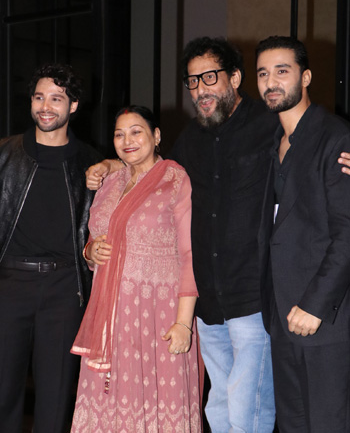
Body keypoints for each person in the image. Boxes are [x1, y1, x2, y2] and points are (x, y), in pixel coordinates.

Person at [84, 37, 350, 433]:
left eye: (209, 77)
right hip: (208, 307)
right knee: (220, 413)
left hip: (255, 302)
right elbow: (154, 173)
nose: (200, 89)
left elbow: (318, 142)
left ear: (236, 78)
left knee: (249, 416)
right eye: (192, 82)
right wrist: (112, 163)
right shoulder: (190, 140)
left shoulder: (269, 123)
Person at [70, 105, 201, 432]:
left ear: (156, 136)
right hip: (110, 315)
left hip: (159, 314)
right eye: (119, 134)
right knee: (108, 403)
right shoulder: (109, 180)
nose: (127, 140)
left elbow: (189, 253)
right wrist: (90, 250)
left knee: (158, 404)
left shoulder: (175, 179)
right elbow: (94, 239)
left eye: (136, 131)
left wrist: (184, 323)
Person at [0, 63, 103, 433]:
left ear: (72, 106)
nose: (46, 106)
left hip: (64, 289)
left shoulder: (93, 163)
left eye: (56, 98)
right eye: (39, 97)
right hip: (9, 283)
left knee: (57, 397)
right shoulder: (4, 154)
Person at [256, 35, 350, 433]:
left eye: (282, 71)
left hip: (324, 317)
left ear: (306, 77)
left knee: (327, 424)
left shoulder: (336, 138)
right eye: (263, 73)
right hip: (280, 315)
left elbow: (347, 232)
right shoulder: (271, 141)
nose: (271, 82)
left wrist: (314, 304)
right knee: (293, 425)